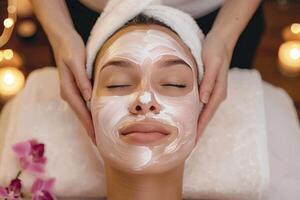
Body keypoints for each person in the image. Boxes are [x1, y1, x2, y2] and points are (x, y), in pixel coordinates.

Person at [29, 0, 263, 143]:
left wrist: (224, 37)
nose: (144, 100)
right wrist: (60, 34)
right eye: (117, 84)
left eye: (174, 84)